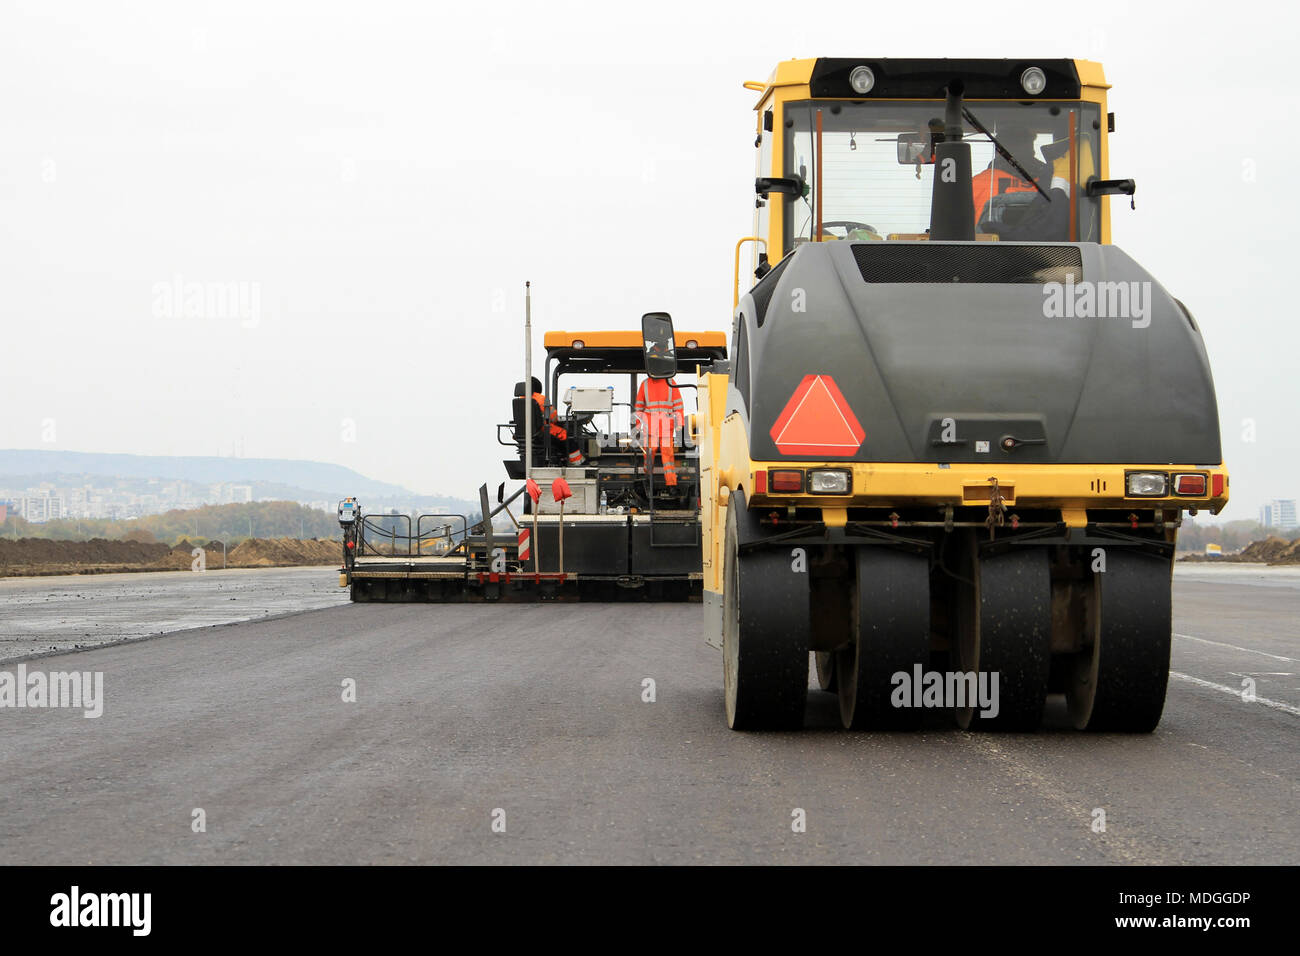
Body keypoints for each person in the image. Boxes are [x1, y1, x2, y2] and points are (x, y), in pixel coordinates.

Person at [634, 375, 684, 487]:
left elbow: (639, 407)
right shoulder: (670, 382)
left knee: (659, 456)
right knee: (662, 457)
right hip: (657, 426)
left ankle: (660, 482)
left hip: (656, 426)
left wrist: (637, 426)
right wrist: (679, 423)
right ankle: (658, 482)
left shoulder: (645, 384)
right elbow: (678, 405)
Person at [528, 378, 585, 467]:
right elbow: (553, 417)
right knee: (568, 436)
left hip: (528, 433)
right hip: (542, 431)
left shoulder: (519, 400)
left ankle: (562, 458)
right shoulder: (540, 399)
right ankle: (578, 462)